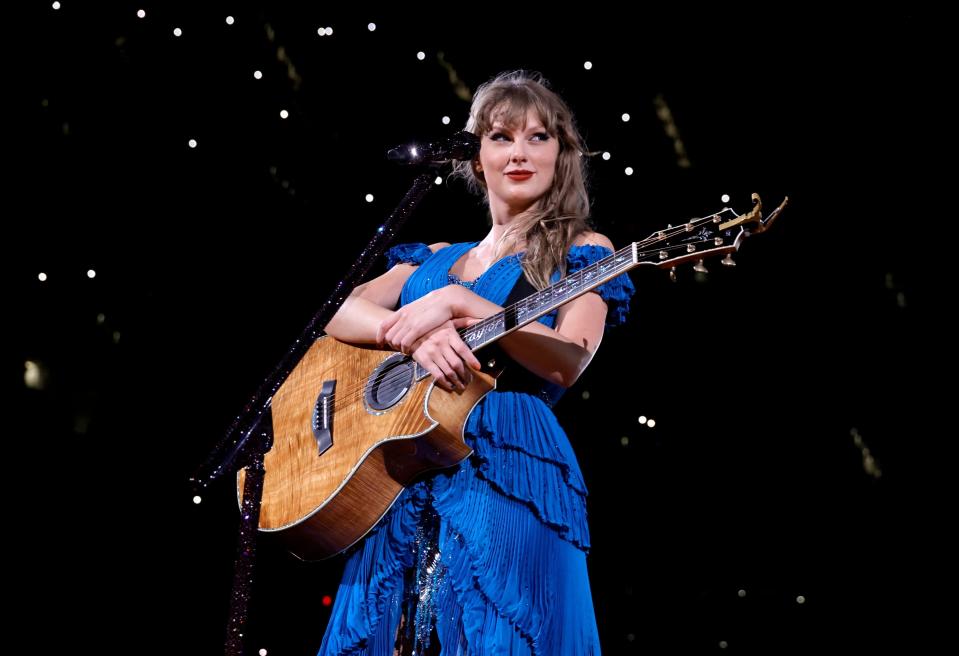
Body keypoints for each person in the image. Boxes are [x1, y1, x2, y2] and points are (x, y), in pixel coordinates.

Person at [318, 70, 635, 655]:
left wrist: (463, 303)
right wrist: (408, 335)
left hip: (508, 459)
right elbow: (336, 314)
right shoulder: (435, 256)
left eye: (539, 138)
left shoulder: (584, 250)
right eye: (500, 136)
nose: (519, 152)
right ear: (474, 155)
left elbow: (569, 362)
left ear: (562, 156)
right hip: (399, 467)